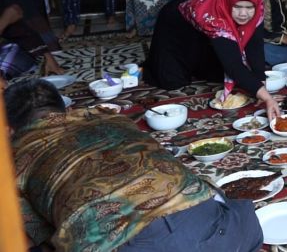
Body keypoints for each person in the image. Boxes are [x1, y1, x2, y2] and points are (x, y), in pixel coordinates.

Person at [5, 79, 264, 251]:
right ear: (62, 109)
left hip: (135, 245)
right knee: (236, 215)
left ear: (10, 128)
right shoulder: (113, 119)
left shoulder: (13, 161)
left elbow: (28, 235)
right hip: (219, 233)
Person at [144, 0, 281, 119]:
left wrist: (262, 87)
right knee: (171, 80)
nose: (243, 14)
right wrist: (267, 98)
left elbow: (255, 48)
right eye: (237, 7)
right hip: (175, 22)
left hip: (201, 24)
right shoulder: (216, 20)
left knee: (217, 72)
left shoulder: (258, 9)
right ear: (229, 1)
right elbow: (233, 66)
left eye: (248, 8)